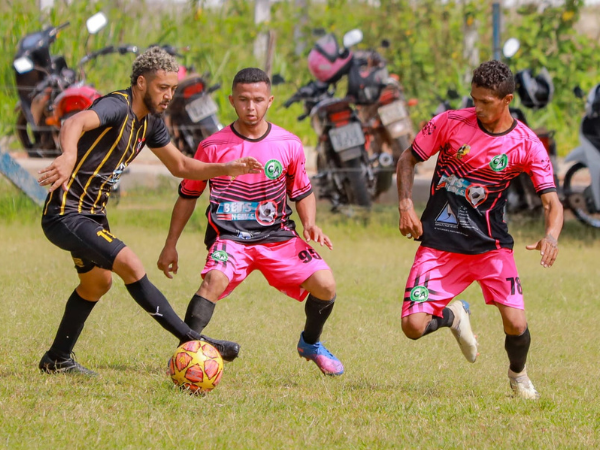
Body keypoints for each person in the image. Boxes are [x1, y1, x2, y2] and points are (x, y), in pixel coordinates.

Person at [37, 47, 263, 375]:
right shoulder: (116, 106)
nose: (169, 95)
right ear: (141, 83)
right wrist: (69, 155)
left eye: (172, 88)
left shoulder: (151, 123)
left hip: (92, 214)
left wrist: (227, 168)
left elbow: (182, 165)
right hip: (66, 213)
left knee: (97, 284)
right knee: (130, 264)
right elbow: (74, 121)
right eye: (162, 88)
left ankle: (57, 359)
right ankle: (196, 341)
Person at [157, 67, 343, 376]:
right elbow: (188, 196)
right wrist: (170, 245)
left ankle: (310, 343)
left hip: (278, 236)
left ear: (270, 100)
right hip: (230, 238)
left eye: (258, 100)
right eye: (243, 100)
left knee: (325, 285)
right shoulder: (212, 146)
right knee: (213, 281)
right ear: (231, 100)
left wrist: (310, 222)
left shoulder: (289, 144)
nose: (251, 107)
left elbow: (303, 191)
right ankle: (185, 353)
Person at [396, 60, 563, 399]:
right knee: (413, 327)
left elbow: (552, 202)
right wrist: (405, 205)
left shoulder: (526, 144)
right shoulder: (450, 122)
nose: (478, 108)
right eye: (474, 99)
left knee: (516, 324)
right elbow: (407, 160)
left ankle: (518, 375)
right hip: (439, 243)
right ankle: (454, 316)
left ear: (508, 100)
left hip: (491, 247)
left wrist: (551, 236)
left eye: (486, 102)